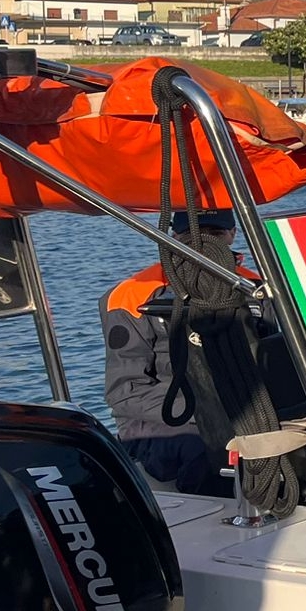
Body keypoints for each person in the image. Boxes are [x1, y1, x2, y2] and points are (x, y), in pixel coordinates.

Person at [102, 209, 255, 497]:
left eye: (215, 235)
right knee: (207, 451)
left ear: (233, 235)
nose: (203, 245)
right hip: (156, 423)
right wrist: (205, 409)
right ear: (173, 238)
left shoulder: (257, 288)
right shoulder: (131, 296)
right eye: (191, 238)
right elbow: (125, 392)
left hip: (242, 409)